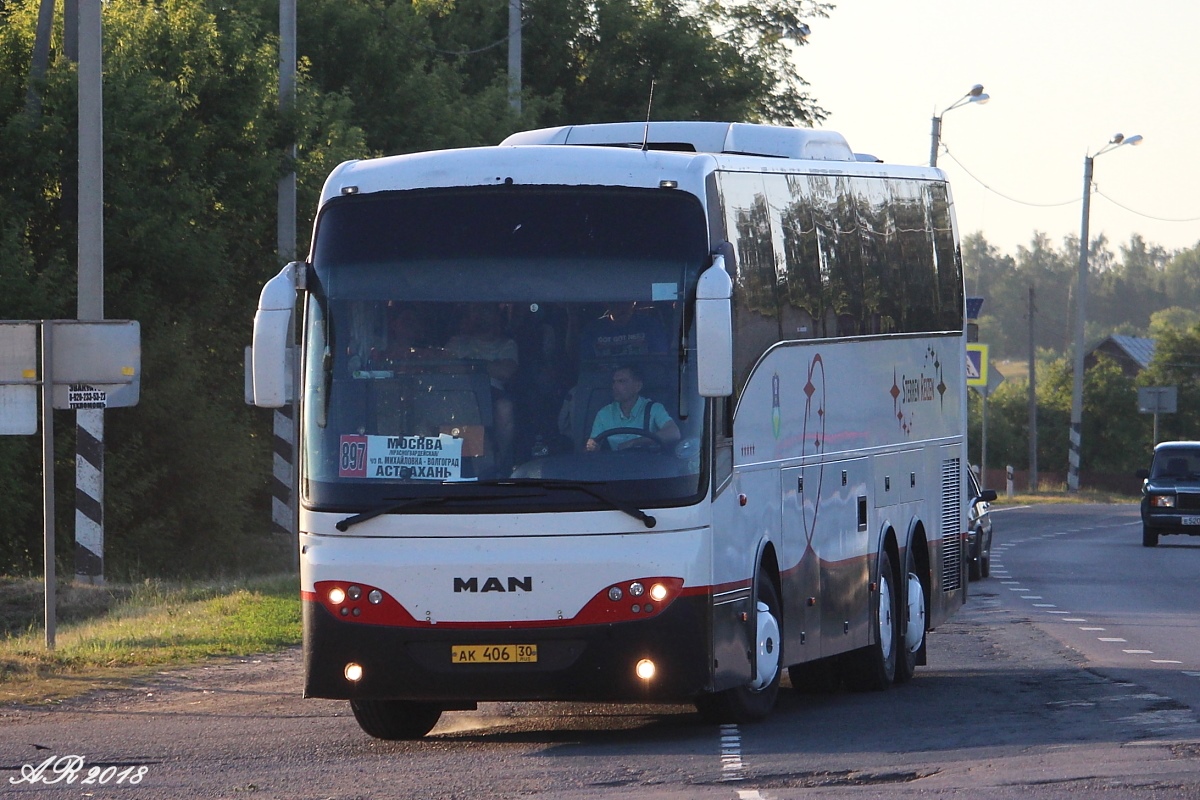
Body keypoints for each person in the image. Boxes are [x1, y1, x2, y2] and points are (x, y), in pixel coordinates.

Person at [444, 304, 518, 468]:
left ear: (496, 316)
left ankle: (500, 461)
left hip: (492, 394)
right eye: (476, 311)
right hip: (457, 394)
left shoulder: (507, 344)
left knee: (505, 408)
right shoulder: (456, 342)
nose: (481, 316)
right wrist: (487, 366)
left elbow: (506, 371)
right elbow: (445, 367)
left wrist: (466, 364)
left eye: (486, 310)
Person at [586, 364, 680, 452]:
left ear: (638, 386)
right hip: (615, 465)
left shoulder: (654, 408)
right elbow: (593, 446)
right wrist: (592, 447)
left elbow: (674, 433)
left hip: (647, 464)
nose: (615, 386)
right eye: (614, 382)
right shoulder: (604, 413)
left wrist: (636, 442)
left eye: (621, 381)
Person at [577, 302, 669, 361]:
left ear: (633, 303)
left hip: (642, 379)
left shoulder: (650, 325)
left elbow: (660, 358)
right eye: (616, 303)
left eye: (626, 303)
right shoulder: (593, 329)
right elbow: (587, 362)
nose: (621, 307)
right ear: (607, 304)